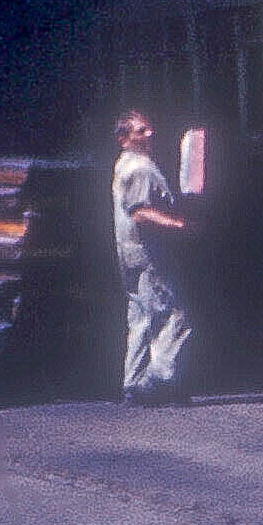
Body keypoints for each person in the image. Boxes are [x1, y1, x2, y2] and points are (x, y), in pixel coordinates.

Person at [110, 111, 196, 405]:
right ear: (124, 139)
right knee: (174, 315)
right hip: (149, 254)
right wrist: (177, 224)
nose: (150, 135)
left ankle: (132, 384)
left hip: (129, 253)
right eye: (140, 131)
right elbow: (140, 211)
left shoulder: (123, 166)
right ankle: (158, 381)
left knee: (141, 318)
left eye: (149, 129)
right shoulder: (141, 168)